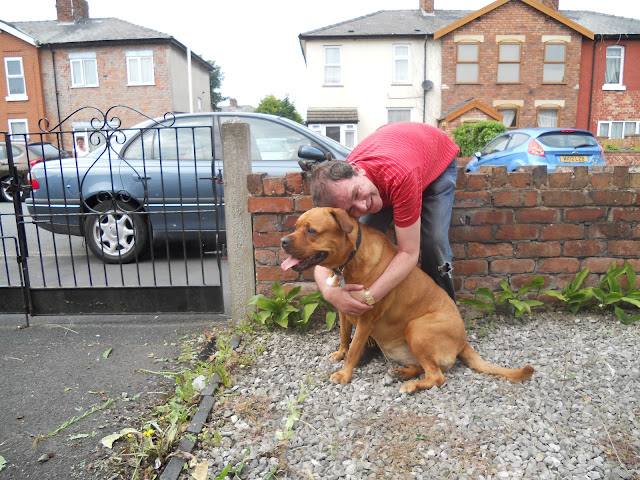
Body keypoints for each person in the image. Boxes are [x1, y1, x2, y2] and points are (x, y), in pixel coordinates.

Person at [310, 121, 459, 319]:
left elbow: (408, 253)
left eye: (357, 193)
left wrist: (368, 297)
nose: (362, 207)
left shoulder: (399, 175)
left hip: (436, 157)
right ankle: (369, 332)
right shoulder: (339, 188)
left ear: (357, 170)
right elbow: (317, 243)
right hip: (398, 156)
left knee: (434, 241)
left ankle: (445, 317)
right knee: (364, 240)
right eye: (350, 209)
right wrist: (330, 293)